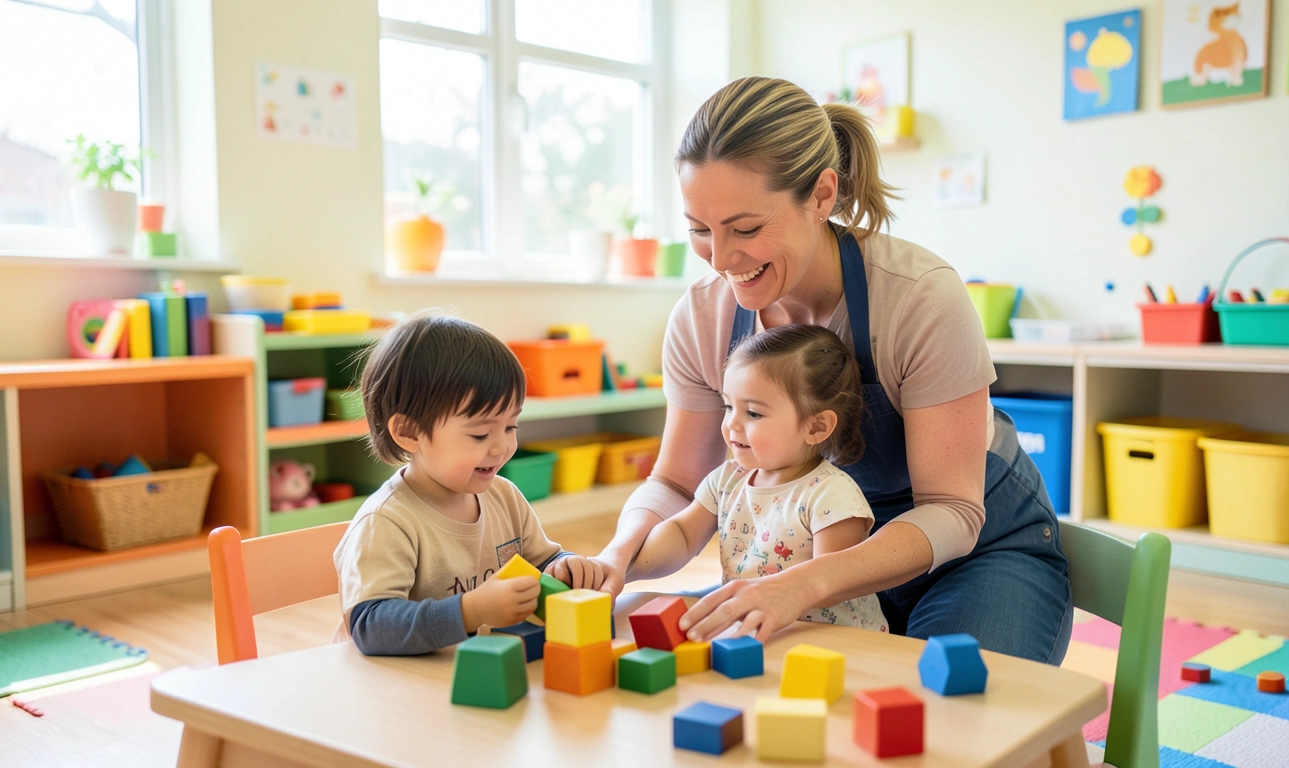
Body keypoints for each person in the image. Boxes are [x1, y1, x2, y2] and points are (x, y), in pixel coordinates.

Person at [594, 76, 1071, 664]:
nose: (721, 260)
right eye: (699, 230)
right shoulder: (701, 316)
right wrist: (616, 556)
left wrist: (805, 584)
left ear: (822, 195)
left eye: (745, 229)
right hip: (811, 569)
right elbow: (673, 485)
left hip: (972, 556)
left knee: (947, 721)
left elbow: (953, 510)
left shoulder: (918, 298)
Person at [333, 314, 604, 655]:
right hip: (392, 688)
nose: (501, 447)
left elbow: (541, 564)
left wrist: (565, 567)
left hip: (475, 675)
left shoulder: (504, 496)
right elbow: (370, 627)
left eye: (511, 427)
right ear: (408, 432)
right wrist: (470, 611)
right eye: (480, 434)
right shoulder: (387, 522)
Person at [626, 324, 887, 635]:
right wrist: (624, 565)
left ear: (816, 427)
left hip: (828, 639)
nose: (732, 424)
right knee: (633, 607)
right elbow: (682, 534)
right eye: (728, 406)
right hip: (753, 626)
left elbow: (830, 584)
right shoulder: (727, 479)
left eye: (753, 413)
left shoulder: (833, 496)